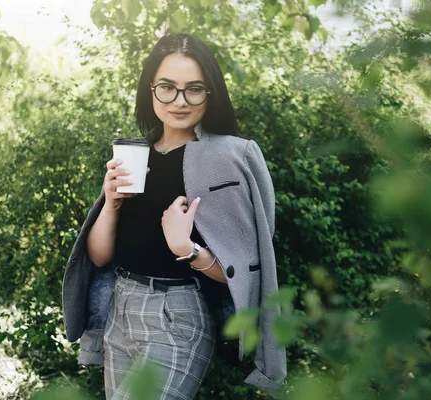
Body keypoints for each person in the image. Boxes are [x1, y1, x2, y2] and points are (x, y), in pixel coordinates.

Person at [62, 32, 286, 399]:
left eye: (194, 89)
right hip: (120, 310)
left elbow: (248, 271)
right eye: (167, 87)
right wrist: (112, 202)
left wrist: (187, 248)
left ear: (210, 92)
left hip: (178, 316)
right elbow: (100, 256)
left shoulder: (232, 156)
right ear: (150, 89)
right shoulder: (135, 154)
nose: (179, 101)